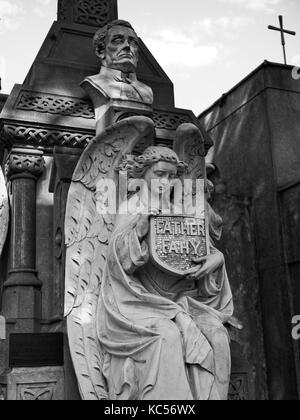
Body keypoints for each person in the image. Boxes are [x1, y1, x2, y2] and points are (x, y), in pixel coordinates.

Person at [96, 146, 233, 400]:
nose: (166, 182)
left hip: (185, 299)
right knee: (168, 336)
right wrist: (139, 227)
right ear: (143, 174)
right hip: (139, 301)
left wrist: (216, 259)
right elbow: (117, 263)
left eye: (171, 177)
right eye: (159, 174)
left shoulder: (182, 209)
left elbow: (204, 248)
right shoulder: (132, 208)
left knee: (217, 335)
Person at [81, 19, 153, 127]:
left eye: (133, 42)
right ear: (100, 51)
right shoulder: (94, 83)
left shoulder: (147, 91)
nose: (127, 46)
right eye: (118, 40)